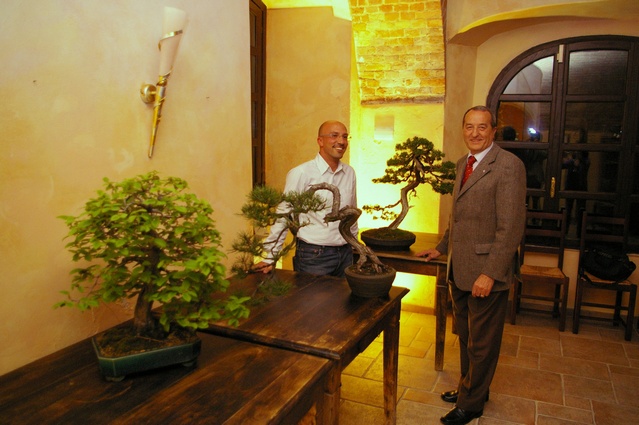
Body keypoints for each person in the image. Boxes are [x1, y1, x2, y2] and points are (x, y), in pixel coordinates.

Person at [416, 106, 526, 425]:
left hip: (485, 274)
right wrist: (440, 249)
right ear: (463, 130)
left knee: (482, 343)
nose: (475, 133)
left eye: (482, 127)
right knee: (465, 336)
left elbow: (511, 228)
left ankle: (472, 403)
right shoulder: (464, 163)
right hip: (459, 268)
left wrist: (489, 273)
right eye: (469, 127)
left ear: (494, 130)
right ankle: (471, 388)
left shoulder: (508, 166)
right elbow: (459, 217)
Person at [254, 120, 357, 277]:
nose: (341, 141)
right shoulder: (301, 173)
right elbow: (284, 214)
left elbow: (352, 212)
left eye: (344, 136)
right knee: (311, 301)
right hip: (314, 255)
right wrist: (270, 256)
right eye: (334, 136)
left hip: (345, 253)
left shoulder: (349, 172)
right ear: (320, 141)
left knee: (345, 301)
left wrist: (354, 242)